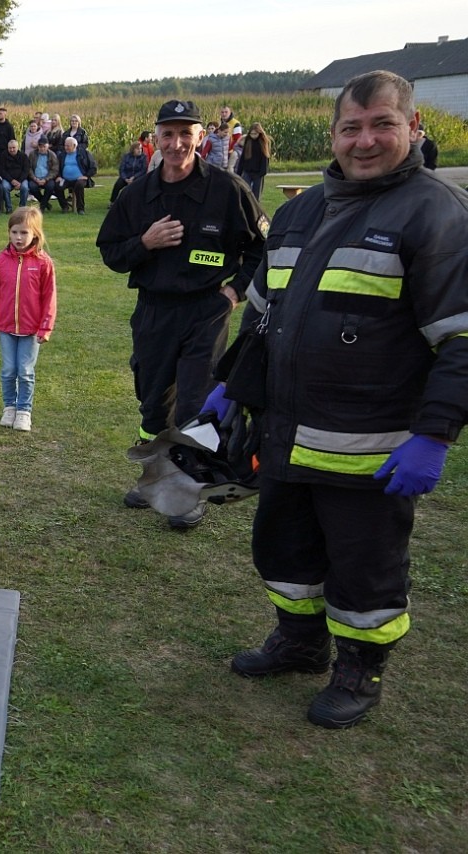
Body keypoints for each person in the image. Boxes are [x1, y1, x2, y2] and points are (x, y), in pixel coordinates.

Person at [225, 70, 468, 729]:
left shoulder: (436, 213)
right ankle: (299, 643)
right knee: (286, 550)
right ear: (333, 134)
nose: (365, 141)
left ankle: (361, 670)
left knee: (365, 570)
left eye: (382, 125)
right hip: (285, 435)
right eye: (352, 128)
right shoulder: (300, 210)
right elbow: (260, 314)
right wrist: (232, 387)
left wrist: (435, 435)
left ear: (412, 128)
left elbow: (462, 340)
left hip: (371, 449)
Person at [95, 99, 266, 529]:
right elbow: (111, 251)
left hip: (206, 311)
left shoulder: (227, 191)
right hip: (154, 311)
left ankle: (189, 493)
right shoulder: (137, 194)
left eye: (185, 133)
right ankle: (154, 477)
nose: (176, 143)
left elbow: (264, 247)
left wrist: (234, 291)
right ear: (156, 139)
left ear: (200, 137)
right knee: (154, 406)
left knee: (195, 404)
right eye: (167, 134)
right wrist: (145, 243)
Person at [0, 208, 57, 433]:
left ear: (35, 234)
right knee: (8, 370)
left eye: (24, 232)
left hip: (31, 330)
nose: (18, 237)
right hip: (5, 328)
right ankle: (10, 407)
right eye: (14, 232)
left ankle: (24, 411)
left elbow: (49, 298)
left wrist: (45, 327)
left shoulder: (43, 263)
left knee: (25, 370)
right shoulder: (0, 261)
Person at [54, 137, 97, 215]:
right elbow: (56, 168)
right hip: (65, 179)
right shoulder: (62, 155)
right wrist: (58, 176)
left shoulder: (84, 154)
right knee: (57, 186)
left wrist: (86, 176)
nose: (66, 148)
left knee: (79, 185)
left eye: (68, 146)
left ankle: (80, 209)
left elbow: (93, 168)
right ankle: (64, 206)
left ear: (74, 145)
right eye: (65, 145)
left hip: (79, 179)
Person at [235, 122, 272, 200]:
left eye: (255, 134)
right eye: (251, 134)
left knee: (256, 196)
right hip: (247, 171)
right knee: (244, 193)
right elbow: (243, 158)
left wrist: (261, 173)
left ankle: (256, 210)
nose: (253, 136)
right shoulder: (248, 141)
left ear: (259, 133)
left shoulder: (263, 143)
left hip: (258, 173)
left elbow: (265, 160)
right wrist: (238, 173)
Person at [110, 140, 148, 205]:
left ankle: (138, 203)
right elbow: (122, 168)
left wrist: (134, 177)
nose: (140, 150)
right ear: (133, 149)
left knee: (138, 186)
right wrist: (125, 178)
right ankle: (112, 201)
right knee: (118, 184)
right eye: (138, 149)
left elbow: (143, 170)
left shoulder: (143, 157)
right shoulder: (126, 156)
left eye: (141, 148)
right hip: (126, 177)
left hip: (137, 177)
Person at [0, 139, 31, 213]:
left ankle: (22, 208)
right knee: (4, 187)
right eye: (10, 148)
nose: (12, 150)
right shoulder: (3, 156)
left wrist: (19, 181)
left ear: (17, 147)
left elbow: (26, 170)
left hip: (21, 179)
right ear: (7, 148)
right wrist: (11, 180)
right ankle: (9, 208)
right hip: (8, 179)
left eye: (13, 147)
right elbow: (2, 171)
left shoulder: (23, 156)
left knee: (25, 187)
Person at [28, 138, 59, 211]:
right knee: (32, 186)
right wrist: (35, 178)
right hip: (35, 178)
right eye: (40, 146)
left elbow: (55, 170)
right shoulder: (32, 154)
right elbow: (29, 168)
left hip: (47, 178)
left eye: (44, 147)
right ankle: (45, 203)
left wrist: (46, 179)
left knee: (51, 186)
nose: (42, 148)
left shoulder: (52, 155)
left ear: (47, 146)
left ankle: (42, 207)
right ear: (38, 147)